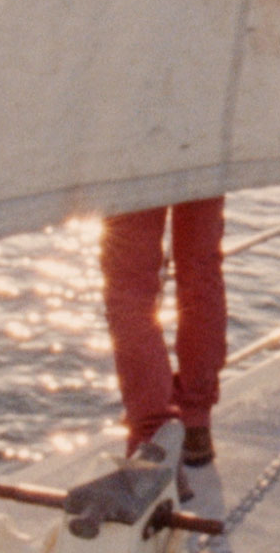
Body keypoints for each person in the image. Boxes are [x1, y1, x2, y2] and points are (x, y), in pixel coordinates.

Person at [100, 196, 227, 466]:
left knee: (128, 287)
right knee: (202, 271)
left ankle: (154, 440)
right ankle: (195, 423)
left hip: (134, 158)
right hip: (207, 155)